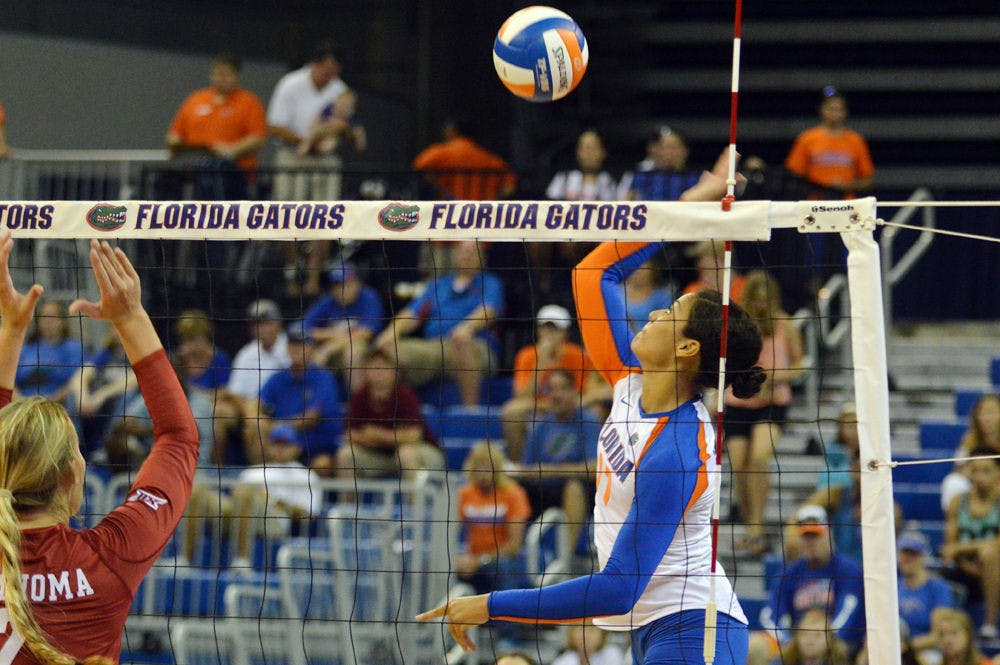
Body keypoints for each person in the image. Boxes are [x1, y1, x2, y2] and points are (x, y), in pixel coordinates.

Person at [417, 149, 768, 665]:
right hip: (658, 630)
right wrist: (689, 204)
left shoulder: (676, 450)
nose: (650, 315)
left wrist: (490, 605)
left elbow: (617, 588)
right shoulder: (630, 382)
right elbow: (593, 273)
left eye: (668, 314)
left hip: (694, 634)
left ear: (688, 349)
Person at [0, 232, 199, 664]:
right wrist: (131, 317)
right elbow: (179, 437)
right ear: (72, 476)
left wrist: (11, 331)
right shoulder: (108, 561)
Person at [724, 270, 805, 557]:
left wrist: (774, 377)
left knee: (759, 456)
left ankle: (757, 529)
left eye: (765, 299)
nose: (761, 304)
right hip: (738, 401)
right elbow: (727, 363)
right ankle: (750, 526)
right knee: (739, 464)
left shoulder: (785, 324)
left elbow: (800, 364)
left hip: (773, 401)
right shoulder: (737, 325)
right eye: (756, 298)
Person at [267, 42, 353, 297]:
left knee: (325, 216)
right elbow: (275, 126)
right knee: (286, 215)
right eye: (327, 70)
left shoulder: (340, 90)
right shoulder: (291, 84)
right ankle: (292, 272)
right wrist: (308, 142)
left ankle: (314, 278)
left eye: (335, 71)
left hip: (325, 160)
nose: (331, 76)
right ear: (315, 65)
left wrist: (338, 134)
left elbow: (347, 129)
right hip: (292, 156)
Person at [373, 240, 503, 407]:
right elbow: (412, 314)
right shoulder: (438, 285)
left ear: (482, 258)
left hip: (476, 346)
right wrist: (392, 331)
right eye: (463, 252)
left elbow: (489, 311)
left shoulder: (491, 283)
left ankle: (470, 414)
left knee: (461, 342)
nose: (467, 256)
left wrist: (467, 327)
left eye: (472, 252)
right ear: (455, 255)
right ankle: (396, 410)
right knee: (386, 351)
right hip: (434, 347)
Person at [508, 369, 601, 566]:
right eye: (551, 390)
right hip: (542, 490)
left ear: (575, 392)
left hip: (580, 492)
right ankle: (508, 551)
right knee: (511, 489)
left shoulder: (589, 420)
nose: (556, 395)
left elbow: (594, 469)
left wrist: (550, 470)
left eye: (562, 389)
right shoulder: (540, 425)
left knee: (574, 488)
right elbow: (528, 468)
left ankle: (563, 562)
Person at [753, 505, 866, 665]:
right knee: (756, 647)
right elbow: (771, 615)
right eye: (807, 537)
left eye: (816, 536)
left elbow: (847, 611)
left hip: (840, 644)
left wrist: (824, 638)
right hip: (799, 643)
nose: (811, 542)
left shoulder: (848, 569)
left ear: (829, 535)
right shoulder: (789, 572)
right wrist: (792, 641)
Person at [500, 304, 598, 460]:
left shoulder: (578, 355)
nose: (549, 334)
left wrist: (562, 402)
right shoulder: (527, 355)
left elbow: (583, 393)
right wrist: (540, 364)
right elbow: (521, 396)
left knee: (594, 410)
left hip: (570, 406)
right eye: (545, 328)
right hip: (539, 406)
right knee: (511, 412)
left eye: (555, 329)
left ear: (565, 333)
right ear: (538, 330)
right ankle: (520, 468)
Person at [165, 53, 267, 199]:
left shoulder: (249, 101)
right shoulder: (196, 99)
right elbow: (175, 134)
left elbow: (257, 137)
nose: (221, 78)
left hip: (235, 174)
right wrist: (176, 144)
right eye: (217, 73)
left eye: (226, 74)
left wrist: (230, 151)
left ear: (236, 76)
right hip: (196, 173)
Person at [335, 347, 443, 480]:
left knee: (405, 454)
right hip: (377, 455)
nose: (378, 373)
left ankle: (413, 501)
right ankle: (347, 501)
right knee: (345, 454)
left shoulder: (405, 395)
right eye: (374, 368)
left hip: (417, 451)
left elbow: (414, 435)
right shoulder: (359, 396)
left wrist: (378, 435)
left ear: (395, 372)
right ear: (365, 372)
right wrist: (380, 440)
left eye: (383, 367)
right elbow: (349, 434)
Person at [227, 424, 323, 571]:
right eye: (276, 443)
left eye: (285, 444)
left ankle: (242, 560)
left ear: (297, 447)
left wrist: (272, 500)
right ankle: (185, 559)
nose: (280, 448)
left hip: (276, 520)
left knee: (246, 495)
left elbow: (308, 515)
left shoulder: (307, 476)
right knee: (199, 492)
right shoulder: (253, 472)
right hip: (239, 515)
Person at [258, 325, 342, 476]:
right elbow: (257, 404)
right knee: (254, 429)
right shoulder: (279, 377)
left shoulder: (323, 377)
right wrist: (261, 423)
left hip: (315, 447)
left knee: (322, 464)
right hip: (281, 443)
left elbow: (312, 417)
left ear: (312, 349)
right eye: (293, 345)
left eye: (302, 345)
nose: (296, 349)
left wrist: (278, 427)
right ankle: (261, 483)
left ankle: (314, 500)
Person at [455, 442, 531, 595]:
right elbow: (450, 533)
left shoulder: (514, 493)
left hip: (504, 559)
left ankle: (509, 615)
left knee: (503, 567)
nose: (482, 472)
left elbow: (514, 546)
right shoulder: (464, 494)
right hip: (471, 557)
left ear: (496, 468)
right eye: (478, 466)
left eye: (487, 466)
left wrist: (480, 560)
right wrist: (457, 558)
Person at [941, 449, 1000, 640]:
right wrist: (965, 561)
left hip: (995, 567)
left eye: (986, 470)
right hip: (964, 568)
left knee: (990, 553)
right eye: (975, 470)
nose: (980, 476)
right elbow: (949, 546)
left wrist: (962, 547)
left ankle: (989, 623)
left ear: (998, 472)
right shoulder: (958, 501)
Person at [301, 263, 385, 393]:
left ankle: (356, 405)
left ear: (356, 283)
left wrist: (331, 346)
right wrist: (332, 334)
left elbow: (367, 332)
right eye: (336, 285)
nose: (340, 290)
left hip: (366, 349)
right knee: (306, 354)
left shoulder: (368, 297)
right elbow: (302, 329)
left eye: (345, 284)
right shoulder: (328, 301)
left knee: (353, 353)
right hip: (330, 348)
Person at [785, 88, 874, 200]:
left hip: (845, 204)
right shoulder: (807, 138)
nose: (834, 113)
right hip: (815, 204)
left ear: (845, 112)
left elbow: (867, 180)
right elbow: (794, 175)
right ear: (822, 110)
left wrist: (845, 186)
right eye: (830, 109)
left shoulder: (855, 140)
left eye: (838, 109)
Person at [412, 118, 517, 200]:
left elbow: (419, 165)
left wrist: (436, 183)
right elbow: (509, 187)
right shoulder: (489, 158)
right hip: (481, 215)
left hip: (449, 213)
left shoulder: (441, 153)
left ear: (452, 130)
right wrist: (494, 198)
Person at [896, 530, 955, 653]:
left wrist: (907, 646)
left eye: (914, 554)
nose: (908, 558)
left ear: (923, 557)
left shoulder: (938, 588)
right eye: (904, 553)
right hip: (896, 648)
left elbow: (938, 635)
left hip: (927, 651)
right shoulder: (893, 587)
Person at [15, 300, 84, 402]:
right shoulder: (24, 349)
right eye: (43, 317)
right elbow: (9, 382)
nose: (47, 321)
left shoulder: (73, 349)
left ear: (63, 321)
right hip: (23, 404)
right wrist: (20, 401)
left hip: (58, 406)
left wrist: (50, 403)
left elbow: (76, 382)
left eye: (52, 316)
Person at [940, 394, 1000, 512]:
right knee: (953, 482)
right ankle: (962, 525)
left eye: (991, 412)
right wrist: (976, 474)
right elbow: (959, 467)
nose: (985, 418)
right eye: (982, 413)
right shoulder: (969, 440)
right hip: (977, 486)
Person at [226, 299, 290, 402]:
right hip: (250, 407)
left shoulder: (291, 346)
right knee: (222, 409)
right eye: (255, 324)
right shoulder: (246, 353)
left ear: (278, 323)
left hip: (283, 404)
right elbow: (234, 391)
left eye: (265, 323)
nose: (260, 328)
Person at [626, 127, 701, 201]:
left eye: (673, 147)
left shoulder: (696, 179)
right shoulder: (642, 177)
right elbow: (626, 202)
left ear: (685, 151)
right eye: (662, 147)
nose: (667, 153)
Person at [296, 88, 366, 157]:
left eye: (347, 105)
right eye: (341, 103)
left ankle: (320, 149)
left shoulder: (350, 116)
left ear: (351, 107)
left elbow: (358, 131)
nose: (343, 107)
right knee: (313, 133)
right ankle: (304, 147)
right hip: (323, 129)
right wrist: (313, 127)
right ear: (336, 101)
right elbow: (318, 119)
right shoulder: (329, 109)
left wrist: (361, 143)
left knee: (331, 143)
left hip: (333, 135)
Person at [174, 309, 232, 392]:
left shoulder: (220, 359)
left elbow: (224, 393)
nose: (189, 344)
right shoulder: (177, 360)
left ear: (205, 337)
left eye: (193, 338)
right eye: (184, 339)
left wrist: (197, 396)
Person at [681, 239, 747, 302]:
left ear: (722, 257)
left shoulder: (746, 289)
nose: (699, 263)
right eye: (698, 258)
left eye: (703, 256)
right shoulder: (693, 291)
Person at [622, 258, 676, 334]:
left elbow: (665, 326)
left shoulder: (663, 297)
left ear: (652, 270)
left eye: (642, 269)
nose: (637, 273)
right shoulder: (615, 292)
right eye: (635, 268)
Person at [551, 622, 627, 665]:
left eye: (591, 629)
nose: (585, 635)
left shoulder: (611, 654)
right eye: (580, 628)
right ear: (571, 633)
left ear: (603, 634)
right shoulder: (565, 659)